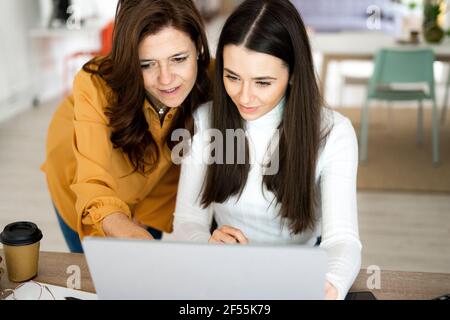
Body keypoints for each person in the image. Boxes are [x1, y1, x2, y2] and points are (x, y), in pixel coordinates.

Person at [172, 0, 362, 300]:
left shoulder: (334, 133)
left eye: (262, 82)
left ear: (294, 74)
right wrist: (206, 242)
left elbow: (343, 239)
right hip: (224, 276)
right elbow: (187, 222)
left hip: (299, 275)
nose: (244, 96)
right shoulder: (204, 122)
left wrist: (331, 284)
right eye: (232, 77)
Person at [41, 0, 211, 253]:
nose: (166, 79)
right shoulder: (94, 85)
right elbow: (92, 184)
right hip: (84, 189)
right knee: (101, 283)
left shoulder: (217, 76)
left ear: (197, 47)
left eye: (178, 58)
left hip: (155, 195)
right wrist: (118, 224)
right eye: (146, 64)